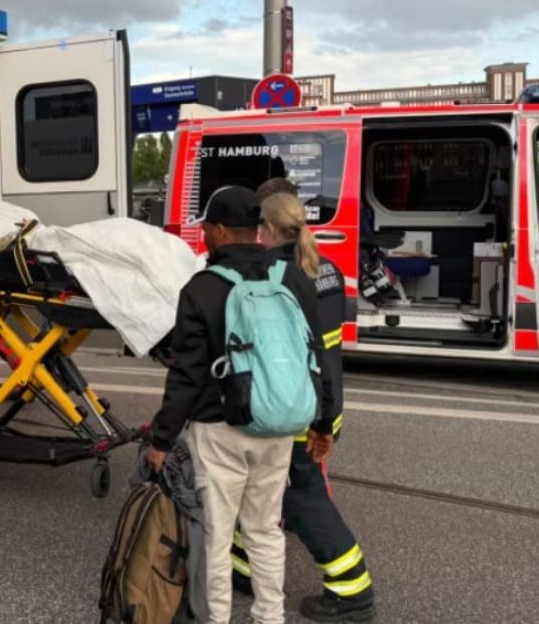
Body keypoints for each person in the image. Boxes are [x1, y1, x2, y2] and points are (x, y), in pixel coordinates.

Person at [145, 185, 331, 624]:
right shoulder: (292, 279)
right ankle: (270, 618)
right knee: (266, 530)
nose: (204, 235)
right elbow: (317, 357)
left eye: (207, 228)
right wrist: (322, 422)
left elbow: (187, 377)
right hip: (279, 425)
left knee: (218, 534)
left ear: (223, 231)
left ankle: (219, 619)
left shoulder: (202, 288)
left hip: (219, 427)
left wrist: (161, 440)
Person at [228, 178, 376, 622]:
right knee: (258, 490)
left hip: (291, 408)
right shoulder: (325, 267)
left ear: (267, 229)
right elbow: (326, 353)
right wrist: (328, 419)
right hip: (320, 401)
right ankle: (245, 568)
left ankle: (353, 592)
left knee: (301, 498)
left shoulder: (274, 274)